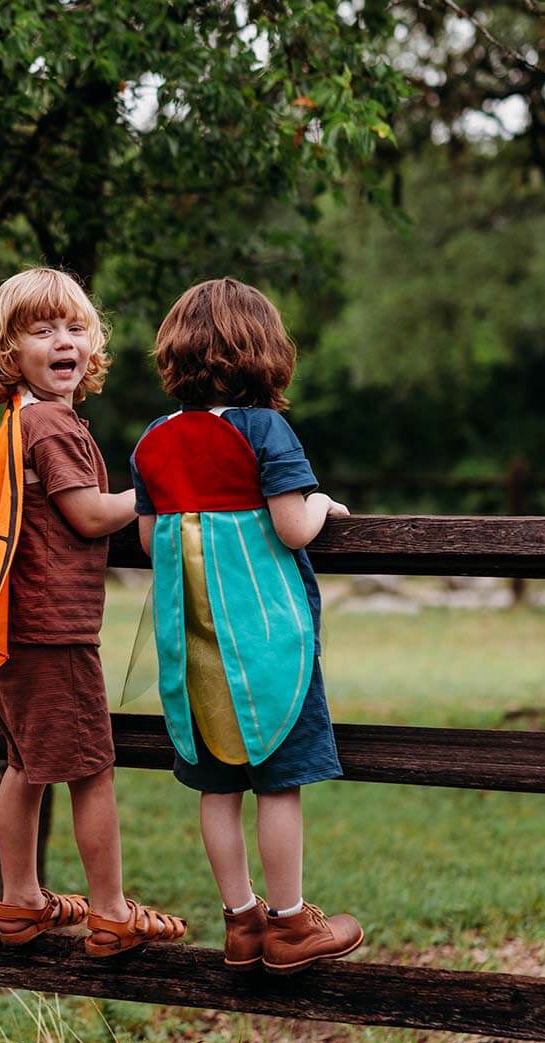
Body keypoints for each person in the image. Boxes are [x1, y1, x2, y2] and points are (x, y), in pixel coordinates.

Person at [0, 268, 187, 957]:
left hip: (14, 627)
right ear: (8, 353)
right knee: (91, 769)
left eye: (75, 328)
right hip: (52, 630)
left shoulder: (24, 420)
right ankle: (110, 912)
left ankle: (21, 901)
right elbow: (89, 517)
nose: (64, 341)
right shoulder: (52, 422)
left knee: (24, 764)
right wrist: (158, 490)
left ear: (93, 346)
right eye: (42, 329)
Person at [130, 278, 362, 973]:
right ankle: (291, 925)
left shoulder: (155, 440)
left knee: (217, 788)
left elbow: (147, 543)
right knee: (278, 784)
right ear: (265, 353)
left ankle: (241, 921)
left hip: (192, 651)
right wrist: (322, 503)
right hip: (266, 651)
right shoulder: (264, 429)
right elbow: (293, 528)